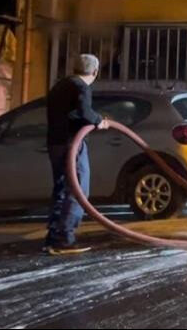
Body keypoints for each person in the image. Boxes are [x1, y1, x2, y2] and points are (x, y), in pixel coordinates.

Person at [44, 54, 109, 255]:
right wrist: (99, 121)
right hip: (72, 144)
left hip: (55, 143)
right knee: (78, 190)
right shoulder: (81, 86)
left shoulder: (59, 86)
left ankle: (53, 238)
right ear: (96, 72)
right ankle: (64, 239)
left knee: (62, 190)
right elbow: (84, 112)